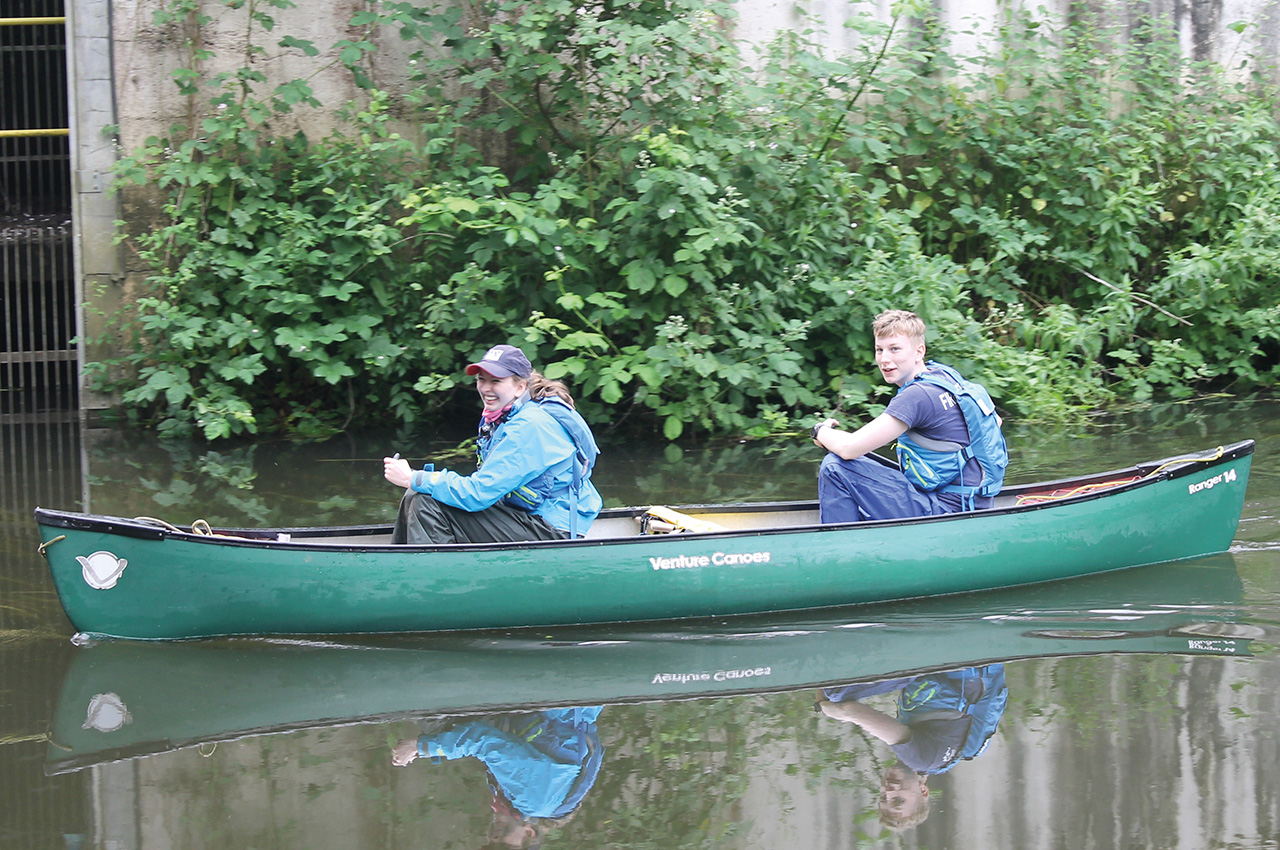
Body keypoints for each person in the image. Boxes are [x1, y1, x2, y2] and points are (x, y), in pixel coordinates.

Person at [383, 344, 603, 544]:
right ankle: (403, 563)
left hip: (554, 530)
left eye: (496, 381)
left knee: (424, 501)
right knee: (416, 495)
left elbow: (478, 493)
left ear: (520, 387)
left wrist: (415, 477)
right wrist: (417, 483)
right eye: (482, 379)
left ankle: (437, 573)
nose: (486, 388)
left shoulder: (530, 426)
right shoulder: (504, 414)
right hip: (526, 514)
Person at [811, 310, 1007, 523]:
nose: (884, 359)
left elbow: (848, 448)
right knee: (864, 461)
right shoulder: (944, 375)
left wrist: (820, 431)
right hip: (976, 502)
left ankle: (841, 541)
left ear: (919, 351)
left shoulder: (916, 396)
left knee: (835, 466)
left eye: (895, 349)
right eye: (879, 349)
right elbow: (996, 421)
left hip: (947, 509)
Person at [815, 666, 1009, 830]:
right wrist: (822, 705)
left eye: (882, 797)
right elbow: (850, 710)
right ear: (923, 791)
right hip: (953, 665)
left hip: (957, 670)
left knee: (835, 692)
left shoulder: (940, 759)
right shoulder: (921, 759)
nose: (888, 790)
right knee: (836, 692)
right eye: (898, 800)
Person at [392, 707, 605, 848]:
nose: (493, 838)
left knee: (445, 729)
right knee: (438, 727)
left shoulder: (520, 802)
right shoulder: (534, 800)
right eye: (504, 846)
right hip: (557, 704)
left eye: (490, 846)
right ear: (529, 834)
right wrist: (422, 747)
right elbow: (485, 741)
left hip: (547, 711)